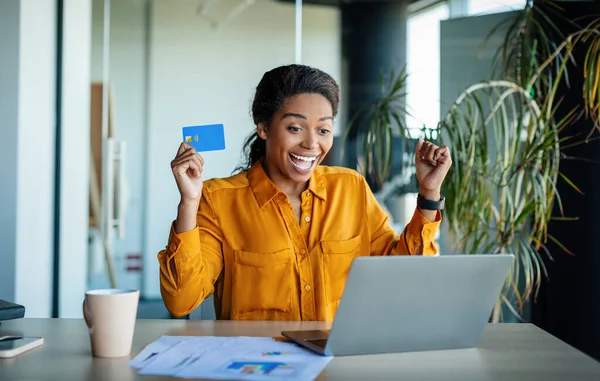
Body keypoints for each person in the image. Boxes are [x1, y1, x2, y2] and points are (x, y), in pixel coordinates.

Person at [158, 64, 452, 321]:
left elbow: (404, 276)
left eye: (323, 130)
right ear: (264, 127)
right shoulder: (218, 199)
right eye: (295, 128)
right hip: (260, 367)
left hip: (337, 363)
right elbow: (182, 300)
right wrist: (189, 203)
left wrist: (429, 192)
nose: (312, 144)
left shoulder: (351, 189)